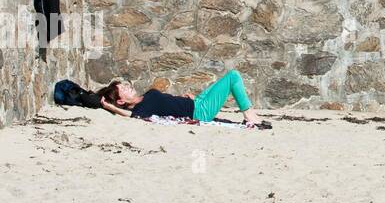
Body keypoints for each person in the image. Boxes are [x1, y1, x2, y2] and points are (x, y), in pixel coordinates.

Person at [97, 69, 267, 128]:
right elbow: (133, 117)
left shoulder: (144, 98)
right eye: (123, 89)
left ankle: (249, 114)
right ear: (120, 101)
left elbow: (166, 103)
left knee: (226, 79)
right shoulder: (140, 109)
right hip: (200, 112)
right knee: (233, 76)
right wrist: (110, 108)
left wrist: (185, 99)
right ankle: (249, 115)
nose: (128, 86)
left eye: (125, 84)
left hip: (196, 102)